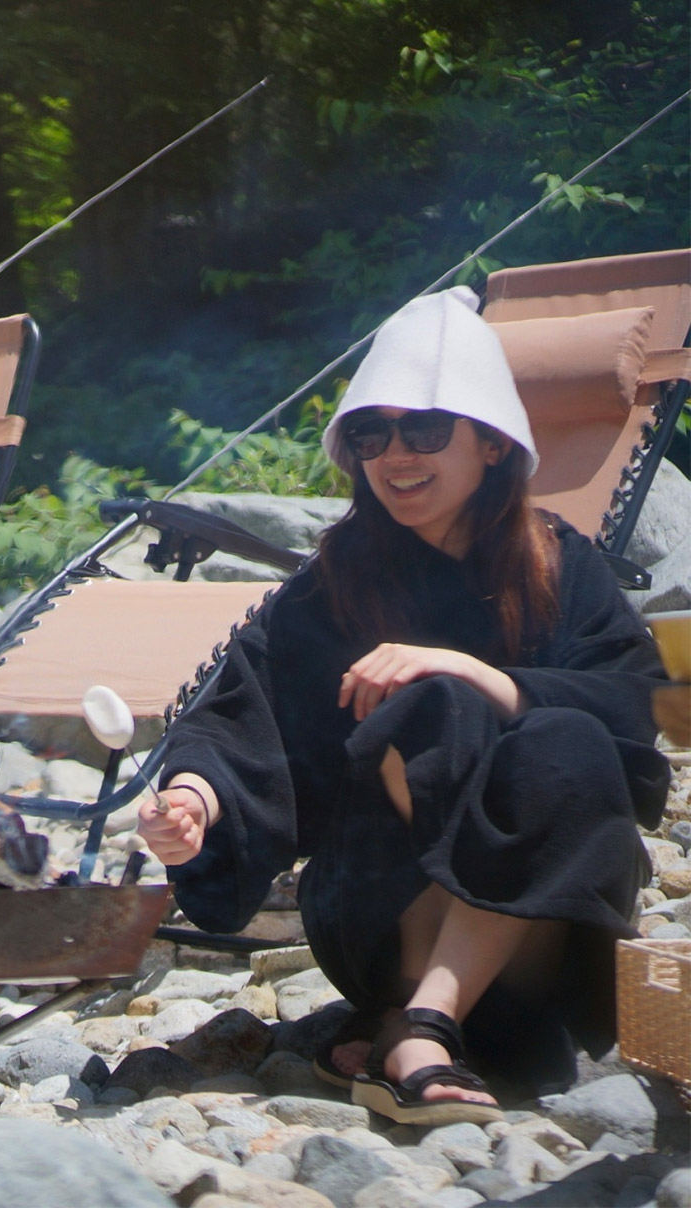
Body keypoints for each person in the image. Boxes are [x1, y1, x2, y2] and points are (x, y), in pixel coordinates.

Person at [136, 287, 668, 1126]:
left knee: (555, 731)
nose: (394, 454)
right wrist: (194, 801)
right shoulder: (329, 590)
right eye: (369, 434)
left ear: (491, 442)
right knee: (429, 708)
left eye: (423, 429)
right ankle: (424, 1026)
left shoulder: (563, 568)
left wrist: (487, 676)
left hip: (550, 925)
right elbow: (243, 719)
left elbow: (636, 716)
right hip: (381, 914)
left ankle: (416, 1028)